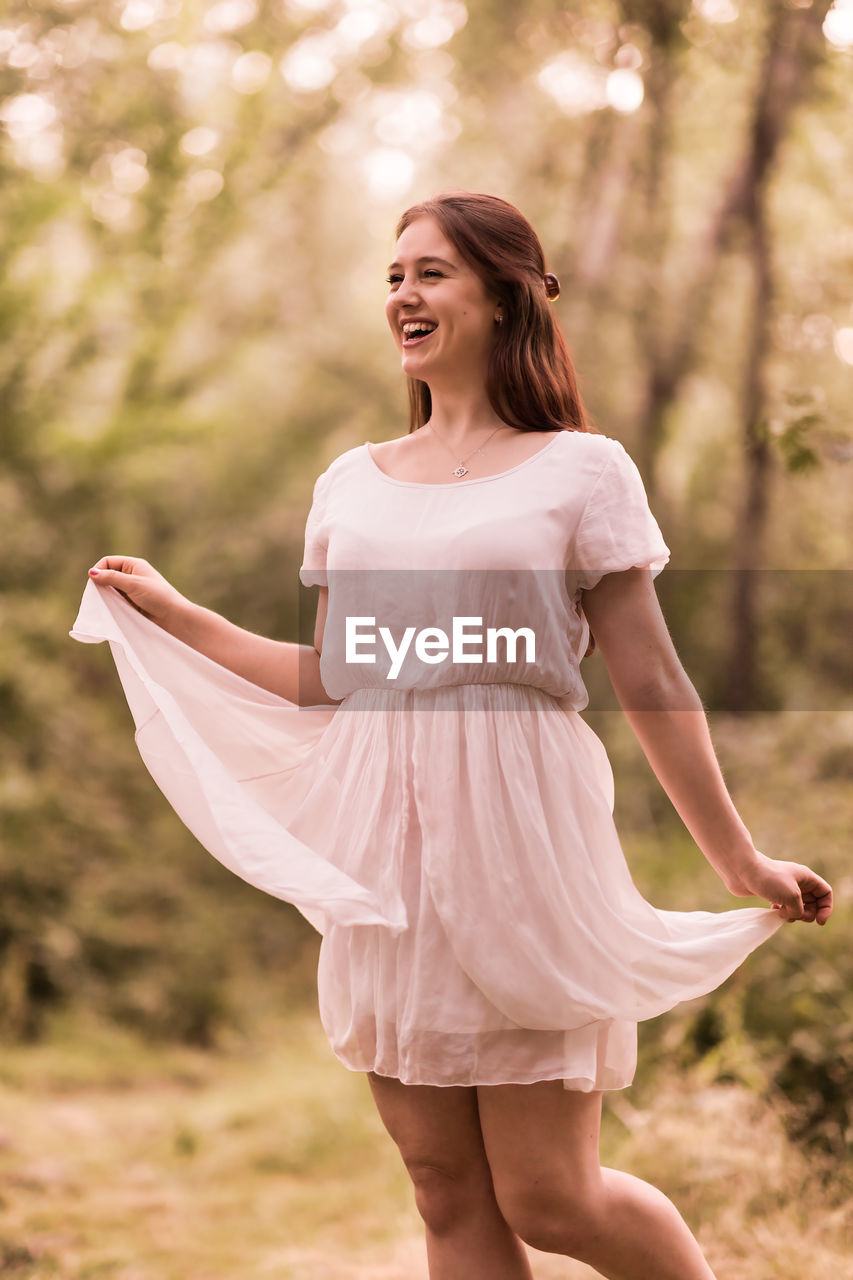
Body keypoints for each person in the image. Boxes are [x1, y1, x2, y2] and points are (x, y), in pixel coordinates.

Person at [72, 191, 833, 1280]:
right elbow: (339, 679)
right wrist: (180, 615)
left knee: (551, 1196)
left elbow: (654, 678)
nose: (403, 296)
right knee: (441, 1187)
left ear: (503, 294)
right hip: (389, 849)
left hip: (520, 831)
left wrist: (739, 859)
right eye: (393, 276)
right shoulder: (351, 482)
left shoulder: (583, 469)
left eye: (430, 273)